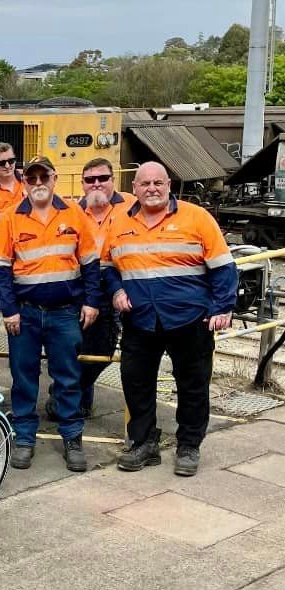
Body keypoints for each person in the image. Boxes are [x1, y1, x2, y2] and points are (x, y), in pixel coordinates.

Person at [102, 161, 237, 477]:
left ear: (169, 186)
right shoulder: (118, 222)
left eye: (158, 183)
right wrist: (116, 291)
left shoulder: (197, 217)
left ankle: (189, 445)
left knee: (192, 385)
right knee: (136, 382)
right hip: (140, 319)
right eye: (145, 183)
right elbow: (107, 268)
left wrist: (222, 307)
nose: (151, 189)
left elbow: (223, 267)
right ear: (134, 188)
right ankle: (144, 442)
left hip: (190, 319)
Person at [0, 156, 100, 472]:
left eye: (44, 177)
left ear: (54, 179)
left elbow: (91, 264)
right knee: (24, 379)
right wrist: (8, 310)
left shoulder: (75, 214)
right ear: (24, 181)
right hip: (24, 316)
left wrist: (91, 302)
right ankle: (24, 438)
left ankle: (72, 438)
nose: (38, 184)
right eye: (32, 178)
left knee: (67, 378)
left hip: (65, 314)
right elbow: (1, 270)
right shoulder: (10, 219)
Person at [46, 157, 135, 420]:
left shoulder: (131, 206)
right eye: (90, 180)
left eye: (102, 178)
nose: (96, 184)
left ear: (113, 180)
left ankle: (65, 393)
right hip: (79, 290)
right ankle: (77, 404)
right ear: (83, 184)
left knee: (102, 351)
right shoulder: (71, 211)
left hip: (116, 288)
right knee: (73, 350)